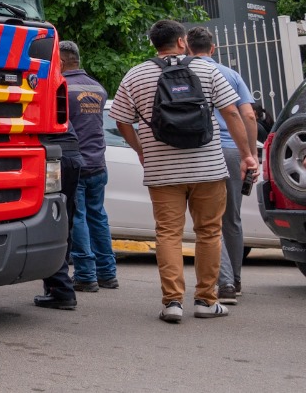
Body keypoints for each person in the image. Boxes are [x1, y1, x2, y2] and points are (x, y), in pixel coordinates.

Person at [110, 20, 258, 323]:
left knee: (168, 234)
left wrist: (141, 149)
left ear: (154, 44)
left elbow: (121, 121)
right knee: (209, 233)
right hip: (208, 169)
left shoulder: (136, 74)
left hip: (162, 172)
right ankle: (206, 300)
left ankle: (173, 303)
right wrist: (247, 155)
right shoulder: (207, 70)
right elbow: (232, 112)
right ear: (182, 42)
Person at [186, 26, 259, 305]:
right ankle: (236, 279)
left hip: (204, 149)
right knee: (232, 218)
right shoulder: (231, 74)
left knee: (210, 218)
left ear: (187, 48)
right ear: (213, 49)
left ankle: (225, 282)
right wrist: (249, 154)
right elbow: (249, 116)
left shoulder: (188, 72)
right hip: (232, 150)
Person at [61, 40, 118, 292]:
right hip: (98, 164)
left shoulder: (62, 88)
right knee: (99, 217)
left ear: (61, 61)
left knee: (79, 218)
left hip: (77, 164)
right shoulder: (98, 88)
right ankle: (108, 273)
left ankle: (85, 275)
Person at [33, 86, 83, 311]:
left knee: (52, 222)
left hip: (54, 158)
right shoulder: (51, 88)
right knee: (65, 221)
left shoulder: (31, 88)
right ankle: (59, 286)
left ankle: (60, 289)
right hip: (72, 156)